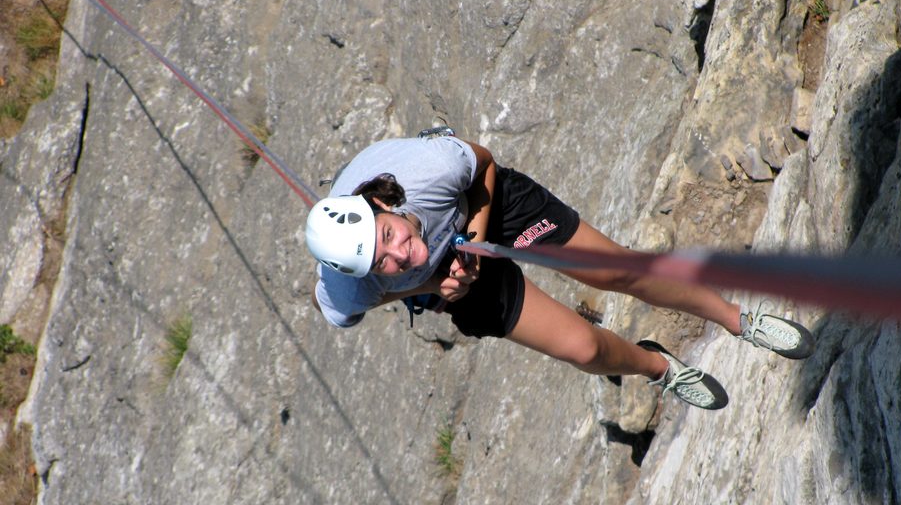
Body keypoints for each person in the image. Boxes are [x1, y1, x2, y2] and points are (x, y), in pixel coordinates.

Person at [306, 131, 814, 412]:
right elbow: (336, 305)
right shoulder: (352, 285)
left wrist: (477, 246)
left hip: (486, 205)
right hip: (454, 284)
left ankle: (737, 319)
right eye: (381, 263)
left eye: (390, 237)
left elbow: (483, 163)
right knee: (584, 348)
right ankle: (659, 368)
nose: (397, 257)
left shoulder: (429, 171)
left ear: (380, 203)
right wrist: (426, 285)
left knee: (617, 272)